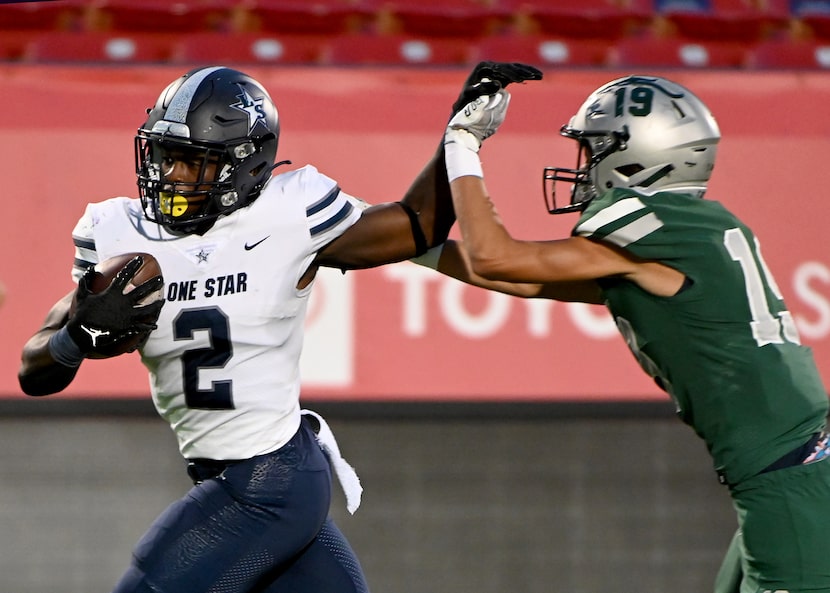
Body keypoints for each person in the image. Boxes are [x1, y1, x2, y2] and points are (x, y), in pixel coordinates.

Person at [16, 63, 539, 593]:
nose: (169, 174)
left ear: (244, 165)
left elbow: (417, 223)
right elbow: (34, 371)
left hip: (269, 480)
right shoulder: (117, 234)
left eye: (190, 161)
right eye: (163, 155)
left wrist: (460, 137)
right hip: (239, 479)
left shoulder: (290, 214)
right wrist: (76, 339)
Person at [422, 75, 830, 592]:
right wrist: (410, 246)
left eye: (595, 149)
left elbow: (494, 255)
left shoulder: (665, 234)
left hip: (792, 488)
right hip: (791, 477)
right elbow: (524, 275)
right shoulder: (689, 239)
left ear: (641, 155)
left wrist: (463, 144)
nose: (585, 166)